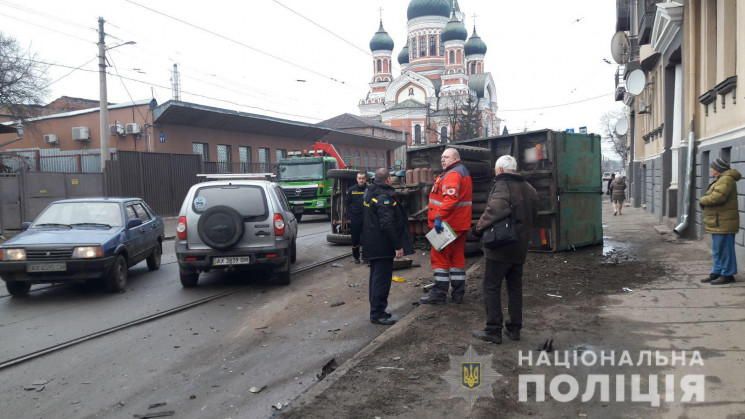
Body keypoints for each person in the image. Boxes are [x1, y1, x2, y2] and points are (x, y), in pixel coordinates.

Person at [470, 155, 538, 344]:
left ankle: (493, 330)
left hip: (501, 248)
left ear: (499, 170)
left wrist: (478, 228)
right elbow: (534, 214)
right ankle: (514, 328)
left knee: (491, 287)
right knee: (514, 287)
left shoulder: (503, 185)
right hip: (520, 248)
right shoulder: (529, 187)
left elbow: (495, 210)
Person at [362, 168, 414, 325]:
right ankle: (377, 314)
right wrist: (398, 246)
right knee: (382, 280)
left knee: (376, 279)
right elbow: (387, 224)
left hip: (372, 244)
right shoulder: (384, 197)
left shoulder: (370, 193)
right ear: (388, 180)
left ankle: (378, 310)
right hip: (382, 246)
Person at [421, 148, 473, 305]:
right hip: (459, 224)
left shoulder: (452, 175)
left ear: (455, 158)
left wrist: (438, 217)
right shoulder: (462, 172)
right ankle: (458, 294)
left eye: (447, 157)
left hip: (445, 225)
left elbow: (450, 199)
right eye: (442, 157)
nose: (443, 159)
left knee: (440, 258)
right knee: (457, 259)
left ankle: (438, 294)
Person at [699, 157, 741, 285]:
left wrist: (703, 200)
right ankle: (717, 271)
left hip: (723, 221)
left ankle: (728, 274)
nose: (711, 169)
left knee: (725, 249)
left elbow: (718, 197)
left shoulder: (726, 179)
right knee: (718, 249)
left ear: (718, 169)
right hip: (718, 221)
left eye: (713, 167)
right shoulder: (721, 179)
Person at [345, 172, 367, 263]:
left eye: (363, 178)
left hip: (367, 218)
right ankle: (356, 257)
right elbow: (347, 203)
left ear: (365, 179)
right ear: (356, 179)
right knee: (355, 238)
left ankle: (366, 257)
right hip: (355, 218)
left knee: (367, 238)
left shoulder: (369, 189)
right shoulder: (351, 190)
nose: (361, 180)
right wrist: (350, 215)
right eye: (359, 178)